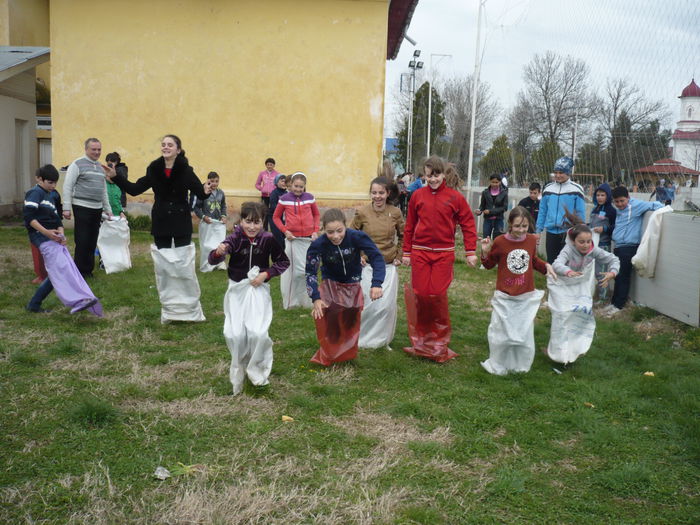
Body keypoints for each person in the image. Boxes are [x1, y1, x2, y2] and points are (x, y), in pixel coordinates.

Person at [106, 134, 212, 322]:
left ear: (178, 149)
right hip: (161, 220)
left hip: (181, 221)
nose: (165, 147)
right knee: (163, 265)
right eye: (163, 145)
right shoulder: (154, 169)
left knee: (183, 264)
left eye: (170, 145)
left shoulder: (186, 170)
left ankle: (189, 309)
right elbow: (134, 189)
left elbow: (200, 194)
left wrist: (206, 190)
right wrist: (117, 177)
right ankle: (169, 309)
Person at [402, 155, 478, 362]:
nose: (433, 179)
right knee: (421, 294)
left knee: (436, 294)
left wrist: (470, 251)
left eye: (436, 175)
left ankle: (440, 341)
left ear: (444, 174)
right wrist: (406, 252)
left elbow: (468, 224)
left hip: (444, 253)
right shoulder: (417, 196)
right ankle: (422, 339)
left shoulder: (455, 198)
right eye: (428, 176)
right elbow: (409, 226)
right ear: (424, 176)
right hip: (420, 252)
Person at [208, 202, 290, 395]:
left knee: (258, 333)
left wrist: (266, 274)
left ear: (263, 222)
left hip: (259, 291)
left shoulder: (268, 239)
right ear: (241, 221)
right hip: (237, 291)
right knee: (234, 334)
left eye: (257, 222)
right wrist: (218, 252)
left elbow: (283, 261)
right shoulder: (235, 238)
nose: (252, 227)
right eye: (248, 222)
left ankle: (258, 371)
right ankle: (240, 366)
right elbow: (215, 258)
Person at [479, 206, 556, 375]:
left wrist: (546, 267)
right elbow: (489, 264)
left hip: (525, 294)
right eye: (517, 226)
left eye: (524, 227)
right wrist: (485, 252)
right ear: (509, 224)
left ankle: (519, 365)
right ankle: (499, 363)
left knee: (523, 334)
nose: (520, 231)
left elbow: (533, 260)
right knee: (500, 333)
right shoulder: (500, 241)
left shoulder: (530, 240)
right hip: (505, 295)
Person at [306, 208, 385, 366]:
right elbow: (310, 272)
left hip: (352, 281)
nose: (335, 236)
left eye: (339, 231)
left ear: (345, 225)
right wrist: (315, 297)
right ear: (323, 230)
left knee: (352, 314)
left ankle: (347, 353)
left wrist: (377, 283)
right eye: (330, 232)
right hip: (331, 282)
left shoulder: (357, 237)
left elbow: (376, 256)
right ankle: (332, 352)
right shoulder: (318, 245)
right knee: (332, 315)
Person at [25, 165, 102, 316]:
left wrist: (61, 233)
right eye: (49, 182)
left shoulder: (51, 195)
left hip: (53, 237)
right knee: (63, 269)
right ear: (38, 179)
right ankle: (78, 300)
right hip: (41, 237)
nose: (53, 186)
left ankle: (34, 305)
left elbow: (56, 219)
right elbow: (29, 218)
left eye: (55, 183)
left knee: (62, 270)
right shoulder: (34, 193)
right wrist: (47, 233)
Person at [547, 223, 620, 365]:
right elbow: (557, 264)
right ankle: (557, 351)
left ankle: (575, 348)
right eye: (581, 242)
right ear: (574, 241)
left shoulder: (594, 250)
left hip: (580, 286)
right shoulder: (568, 249)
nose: (586, 245)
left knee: (582, 313)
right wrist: (568, 272)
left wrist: (612, 273)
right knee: (562, 314)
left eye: (588, 241)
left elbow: (614, 259)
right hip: (563, 285)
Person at [350, 176, 404, 349]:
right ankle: (362, 339)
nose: (377, 196)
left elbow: (404, 236)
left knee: (385, 306)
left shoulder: (395, 212)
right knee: (367, 305)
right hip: (366, 266)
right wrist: (356, 255)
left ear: (388, 193)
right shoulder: (362, 213)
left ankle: (382, 340)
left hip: (388, 265)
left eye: (381, 192)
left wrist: (400, 254)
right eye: (374, 193)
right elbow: (350, 236)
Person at [602, 186, 664, 317]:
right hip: (618, 245)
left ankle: (619, 305)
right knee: (617, 275)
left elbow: (656, 205)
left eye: (622, 201)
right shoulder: (619, 209)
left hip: (628, 247)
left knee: (623, 276)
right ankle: (614, 303)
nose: (619, 204)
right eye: (616, 202)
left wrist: (664, 208)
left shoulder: (636, 205)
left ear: (628, 198)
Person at [62, 138, 112, 277]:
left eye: (99, 149)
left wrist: (107, 209)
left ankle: (88, 271)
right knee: (82, 240)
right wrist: (66, 207)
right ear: (86, 149)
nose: (97, 152)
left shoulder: (102, 168)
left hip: (97, 208)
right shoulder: (77, 164)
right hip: (81, 206)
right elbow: (67, 186)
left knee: (92, 240)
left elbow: (103, 190)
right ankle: (79, 271)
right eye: (94, 149)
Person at [272, 172, 320, 309]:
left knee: (307, 271)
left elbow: (316, 214)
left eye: (301, 187)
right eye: (295, 186)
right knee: (293, 272)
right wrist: (285, 231)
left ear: (305, 187)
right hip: (293, 240)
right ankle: (291, 302)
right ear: (290, 185)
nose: (298, 189)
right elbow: (275, 217)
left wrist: (315, 230)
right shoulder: (284, 199)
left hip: (308, 240)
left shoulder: (310, 198)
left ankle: (307, 300)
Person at [536, 156, 586, 263]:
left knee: (566, 263)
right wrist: (538, 230)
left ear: (568, 173)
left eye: (561, 172)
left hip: (568, 232)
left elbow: (580, 213)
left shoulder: (576, 189)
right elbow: (543, 211)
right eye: (556, 172)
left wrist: (581, 232)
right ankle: (551, 280)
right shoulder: (548, 189)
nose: (558, 175)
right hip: (551, 232)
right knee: (551, 262)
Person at [194, 171, 228, 272]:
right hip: (207, 223)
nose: (214, 183)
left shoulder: (221, 193)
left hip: (218, 223)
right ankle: (207, 264)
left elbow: (223, 205)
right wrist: (203, 217)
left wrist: (223, 216)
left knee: (220, 243)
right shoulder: (203, 192)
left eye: (216, 181)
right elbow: (196, 208)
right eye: (212, 181)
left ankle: (219, 263)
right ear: (208, 181)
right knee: (207, 245)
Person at [588, 183, 617, 302]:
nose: (600, 197)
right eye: (598, 195)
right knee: (594, 272)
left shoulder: (611, 211)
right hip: (592, 245)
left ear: (608, 196)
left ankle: (603, 298)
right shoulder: (595, 209)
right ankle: (597, 294)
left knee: (602, 272)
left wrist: (604, 229)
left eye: (602, 195)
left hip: (603, 245)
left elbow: (615, 227)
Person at [475, 173, 509, 239]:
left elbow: (505, 208)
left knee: (498, 239)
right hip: (487, 220)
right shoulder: (485, 192)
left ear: (500, 182)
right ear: (490, 182)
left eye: (496, 182)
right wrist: (479, 211)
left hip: (499, 219)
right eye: (493, 182)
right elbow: (482, 206)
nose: (494, 184)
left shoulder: (504, 193)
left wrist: (490, 211)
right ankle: (485, 249)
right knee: (486, 239)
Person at [255, 157, 279, 229]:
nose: (269, 166)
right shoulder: (262, 173)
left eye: (271, 164)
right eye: (268, 164)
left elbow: (279, 185)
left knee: (273, 212)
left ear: (274, 165)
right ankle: (264, 228)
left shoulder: (277, 174)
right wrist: (262, 189)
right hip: (264, 196)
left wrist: (275, 191)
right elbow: (257, 184)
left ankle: (273, 228)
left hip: (273, 196)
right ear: (266, 165)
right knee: (264, 212)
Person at [267, 174, 287, 247]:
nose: (284, 183)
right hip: (274, 217)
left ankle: (284, 250)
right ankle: (278, 250)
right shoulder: (274, 193)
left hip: (283, 218)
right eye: (282, 181)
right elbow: (273, 205)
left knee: (284, 235)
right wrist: (283, 208)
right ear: (276, 183)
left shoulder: (287, 193)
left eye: (285, 181)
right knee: (277, 236)